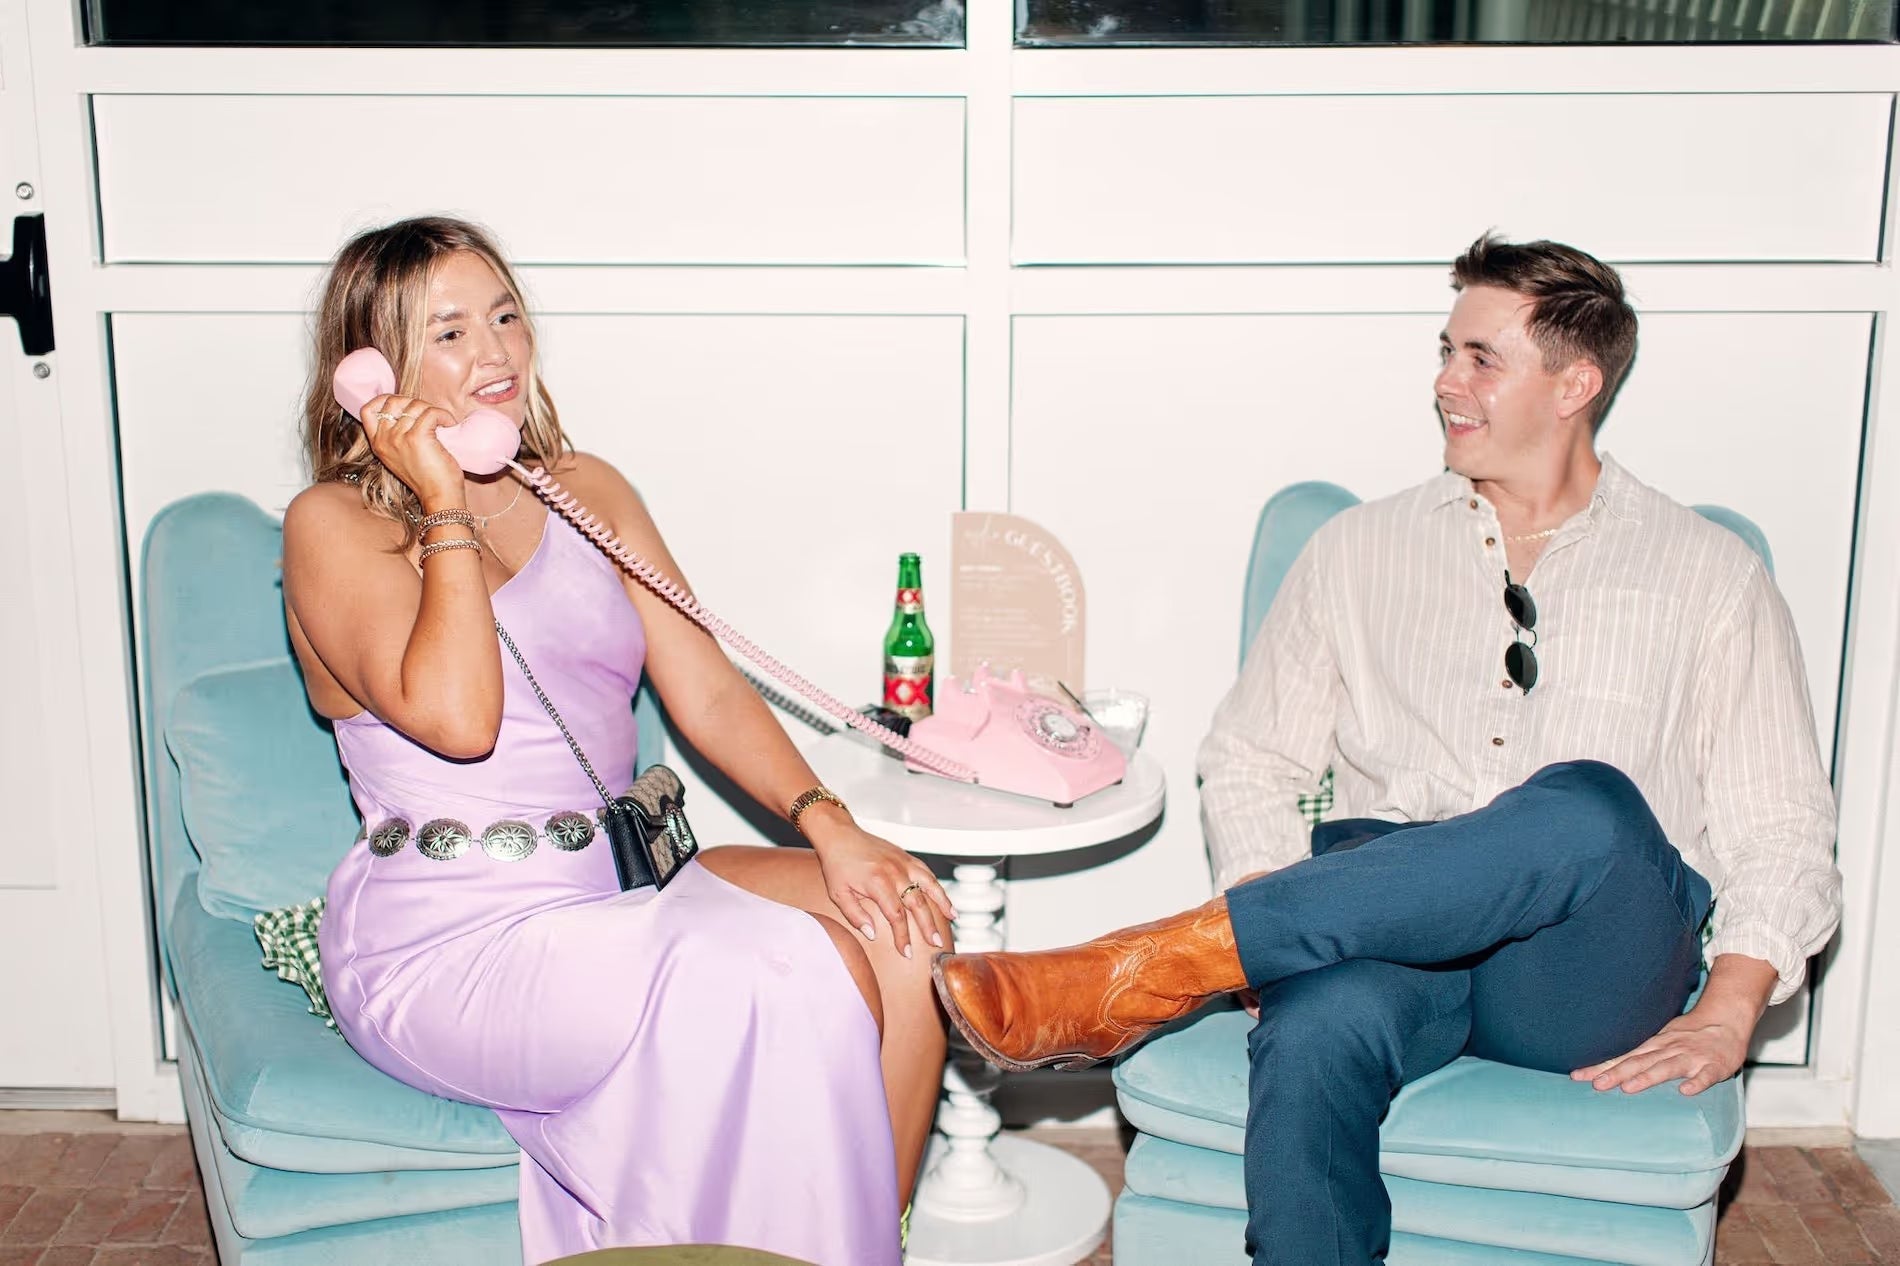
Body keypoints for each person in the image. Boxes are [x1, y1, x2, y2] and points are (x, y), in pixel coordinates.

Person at [931, 234, 1844, 1265]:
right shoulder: (1357, 549)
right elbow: (1249, 758)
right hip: (1387, 930)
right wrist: (1283, 899)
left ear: (1574, 384)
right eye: (1445, 351)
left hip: (1583, 965)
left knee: (1583, 805)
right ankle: (1235, 969)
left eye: (1480, 359)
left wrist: (1730, 1006)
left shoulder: (1709, 575)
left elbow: (1780, 822)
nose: (1445, 384)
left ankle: (1157, 966)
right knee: (1315, 1031)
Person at [283, 216, 954, 1266]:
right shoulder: (331, 525)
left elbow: (710, 693)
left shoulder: (586, 490)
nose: (496, 352)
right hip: (451, 941)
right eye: (450, 332)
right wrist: (444, 503)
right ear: (372, 369)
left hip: (620, 895)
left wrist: (836, 828)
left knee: (899, 924)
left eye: (505, 316)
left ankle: (864, 1241)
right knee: (783, 966)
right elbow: (461, 721)